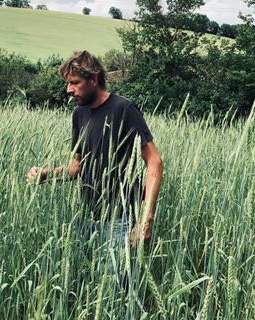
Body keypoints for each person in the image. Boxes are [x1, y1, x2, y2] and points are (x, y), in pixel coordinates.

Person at [26, 50, 164, 249]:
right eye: (67, 83)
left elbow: (155, 163)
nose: (68, 90)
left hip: (120, 221)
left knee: (116, 280)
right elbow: (77, 167)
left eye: (75, 82)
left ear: (94, 79)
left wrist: (146, 219)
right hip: (87, 219)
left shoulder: (123, 109)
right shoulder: (78, 114)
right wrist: (47, 175)